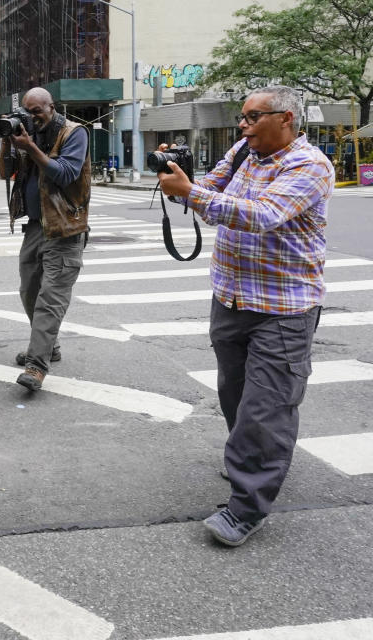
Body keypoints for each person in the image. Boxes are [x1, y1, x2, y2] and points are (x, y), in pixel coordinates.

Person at [157, 85, 333, 547]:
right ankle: (254, 461)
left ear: (287, 120)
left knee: (266, 408)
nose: (243, 125)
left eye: (254, 117)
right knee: (235, 395)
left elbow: (265, 214)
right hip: (232, 299)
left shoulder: (310, 164)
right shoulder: (241, 153)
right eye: (242, 117)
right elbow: (209, 190)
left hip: (284, 307)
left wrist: (192, 194)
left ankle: (246, 506)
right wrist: (178, 176)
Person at [0, 87, 90, 392]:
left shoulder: (74, 133)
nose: (32, 117)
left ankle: (36, 366)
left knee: (50, 300)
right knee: (29, 292)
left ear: (52, 107)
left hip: (65, 228)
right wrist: (7, 142)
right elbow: (5, 172)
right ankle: (49, 346)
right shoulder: (29, 133)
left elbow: (65, 173)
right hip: (36, 227)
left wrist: (31, 148)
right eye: (27, 111)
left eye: (37, 111)